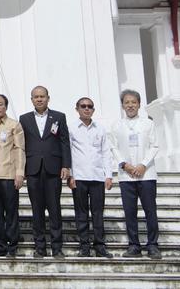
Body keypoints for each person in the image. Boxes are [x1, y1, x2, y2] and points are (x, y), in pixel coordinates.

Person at [19, 85, 71, 258]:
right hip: (33, 169)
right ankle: (39, 247)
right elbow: (21, 145)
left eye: (42, 96)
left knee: (55, 209)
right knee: (37, 209)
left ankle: (57, 248)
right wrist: (22, 168)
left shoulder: (59, 117)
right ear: (31, 99)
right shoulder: (24, 119)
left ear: (48, 98)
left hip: (53, 169)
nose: (39, 99)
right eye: (36, 97)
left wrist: (66, 165)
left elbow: (64, 142)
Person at [109, 89, 161, 259]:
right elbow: (113, 147)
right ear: (122, 105)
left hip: (146, 175)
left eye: (133, 102)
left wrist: (143, 165)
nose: (130, 105)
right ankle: (134, 245)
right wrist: (125, 165)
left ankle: (152, 245)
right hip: (126, 176)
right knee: (130, 211)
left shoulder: (148, 123)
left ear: (139, 104)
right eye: (127, 102)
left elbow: (155, 146)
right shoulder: (116, 125)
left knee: (150, 210)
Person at [67, 96, 115, 258]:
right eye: (83, 106)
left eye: (90, 106)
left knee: (97, 213)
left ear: (93, 110)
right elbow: (69, 153)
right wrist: (70, 174)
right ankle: (84, 246)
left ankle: (100, 245)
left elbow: (105, 152)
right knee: (81, 213)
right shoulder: (71, 128)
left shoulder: (100, 129)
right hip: (79, 177)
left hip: (97, 177)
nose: (86, 109)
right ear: (77, 109)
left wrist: (108, 175)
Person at [0, 93, 25, 258]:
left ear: (6, 106)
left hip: (9, 174)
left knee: (11, 211)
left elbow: (19, 149)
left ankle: (12, 244)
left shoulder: (14, 125)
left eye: (0, 104)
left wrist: (20, 173)